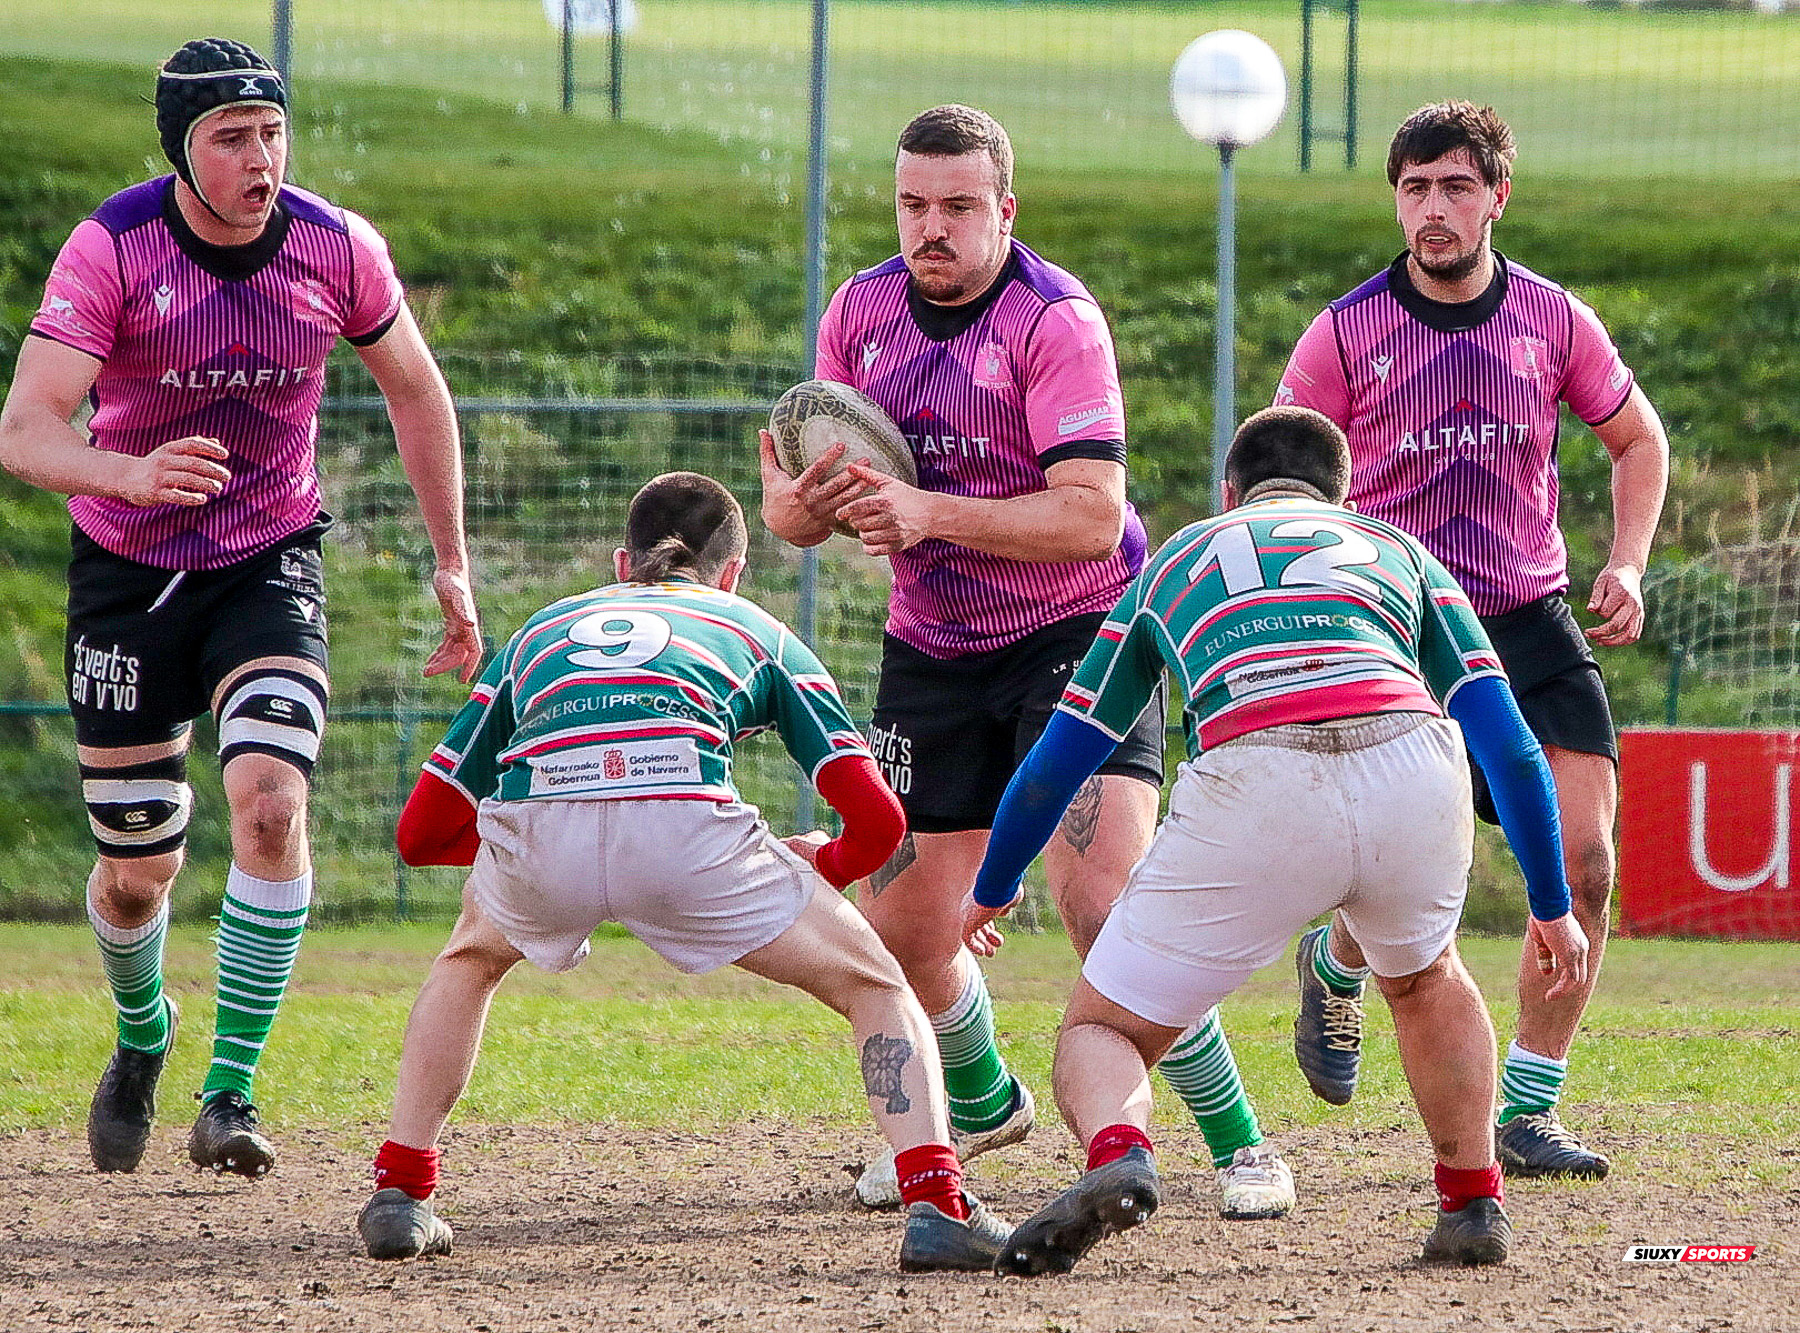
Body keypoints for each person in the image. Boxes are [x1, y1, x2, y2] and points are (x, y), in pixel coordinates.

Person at [758, 104, 1293, 1219]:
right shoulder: (858, 313)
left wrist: (923, 510)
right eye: (913, 204)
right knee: (904, 934)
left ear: (1006, 208)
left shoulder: (1055, 322)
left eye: (958, 207)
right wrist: (806, 509)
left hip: (1083, 635)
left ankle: (1242, 1142)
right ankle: (986, 1096)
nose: (931, 229)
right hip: (935, 644)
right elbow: (791, 515)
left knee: (1108, 911)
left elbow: (1094, 519)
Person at [0, 37, 482, 1179]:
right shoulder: (113, 247)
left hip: (270, 557)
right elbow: (26, 430)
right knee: (137, 870)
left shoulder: (336, 245)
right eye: (230, 138)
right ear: (180, 148)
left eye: (272, 132)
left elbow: (416, 388)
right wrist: (130, 471)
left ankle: (231, 1089)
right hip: (127, 572)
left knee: (270, 806)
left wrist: (451, 560)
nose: (260, 156)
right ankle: (143, 1033)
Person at [964, 406, 1589, 1273]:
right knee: (1425, 976)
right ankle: (1472, 1201)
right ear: (1343, 495)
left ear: (1231, 493)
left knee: (1101, 1030)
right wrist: (1553, 907)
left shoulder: (1175, 561)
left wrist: (992, 884)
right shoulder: (1398, 550)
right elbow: (1513, 747)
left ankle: (1119, 1156)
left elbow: (1055, 762)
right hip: (1406, 753)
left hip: (1254, 775)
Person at [355, 472, 1007, 1272]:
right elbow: (880, 820)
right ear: (732, 572)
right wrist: (827, 863)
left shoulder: (540, 632)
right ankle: (938, 1203)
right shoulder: (754, 627)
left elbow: (419, 832)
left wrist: (523, 857)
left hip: (542, 824)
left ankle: (400, 1190)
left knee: (471, 954)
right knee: (876, 983)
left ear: (621, 563)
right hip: (688, 829)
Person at [1273, 101, 1669, 1179]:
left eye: (1455, 187)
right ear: (1396, 200)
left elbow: (1636, 439)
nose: (1433, 210)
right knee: (1409, 876)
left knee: (1586, 863)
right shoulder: (1345, 332)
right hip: (1397, 632)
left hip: (1530, 622)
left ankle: (1528, 1109)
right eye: (1414, 189)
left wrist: (1625, 561)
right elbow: (1279, 475)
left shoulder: (1553, 319)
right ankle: (1335, 956)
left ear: (1498, 194)